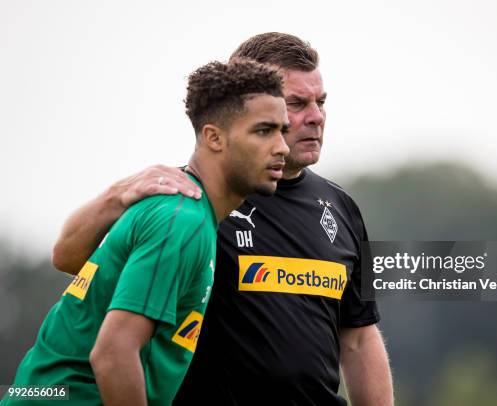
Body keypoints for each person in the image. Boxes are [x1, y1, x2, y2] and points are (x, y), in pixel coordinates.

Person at [52, 33, 394, 405]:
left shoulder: (341, 207)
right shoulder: (193, 202)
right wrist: (114, 196)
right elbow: (70, 261)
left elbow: (359, 337)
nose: (315, 117)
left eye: (321, 102)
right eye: (296, 104)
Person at [3, 59, 289, 406]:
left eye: (282, 131)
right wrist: (113, 193)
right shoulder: (183, 223)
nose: (282, 147)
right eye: (264, 131)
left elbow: (69, 260)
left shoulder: (179, 210)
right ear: (214, 137)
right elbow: (113, 354)